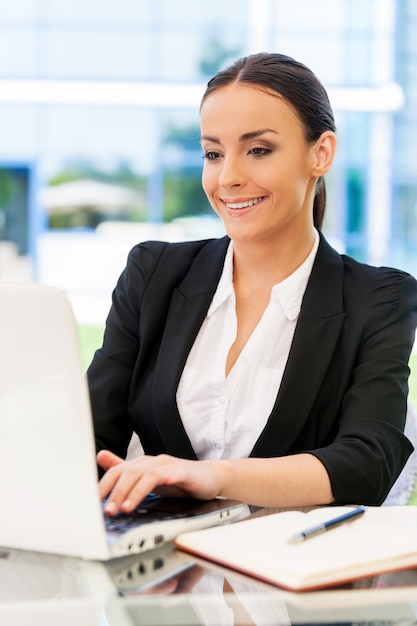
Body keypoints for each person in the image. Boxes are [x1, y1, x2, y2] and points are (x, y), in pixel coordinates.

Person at [88, 52, 417, 516]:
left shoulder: (378, 298)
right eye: (213, 154)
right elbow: (87, 439)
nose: (229, 178)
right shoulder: (153, 274)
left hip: (290, 571)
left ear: (320, 153)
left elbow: (368, 463)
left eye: (258, 150)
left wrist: (215, 477)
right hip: (158, 570)